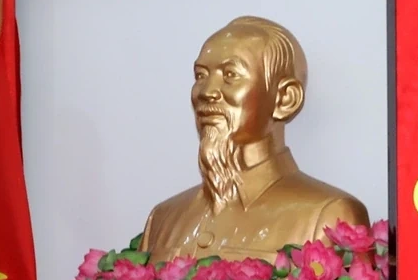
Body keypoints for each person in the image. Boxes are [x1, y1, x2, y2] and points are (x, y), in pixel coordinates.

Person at [139, 15, 369, 261]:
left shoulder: (330, 216)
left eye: (230, 74)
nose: (206, 92)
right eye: (200, 75)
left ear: (285, 99)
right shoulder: (163, 219)